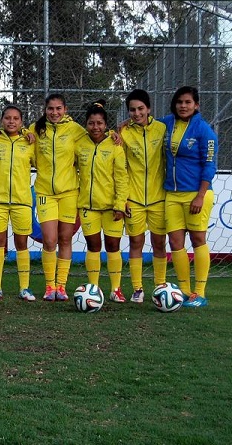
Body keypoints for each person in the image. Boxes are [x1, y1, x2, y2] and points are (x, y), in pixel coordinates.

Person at [161, 86, 217, 307]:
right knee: (175, 242)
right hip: (172, 194)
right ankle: (184, 291)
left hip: (197, 194)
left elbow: (210, 165)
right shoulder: (166, 123)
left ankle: (200, 293)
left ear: (196, 105)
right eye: (179, 102)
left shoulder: (205, 131)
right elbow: (145, 124)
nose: (183, 106)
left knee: (197, 240)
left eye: (187, 102)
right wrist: (125, 125)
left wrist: (200, 195)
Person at [33, 93, 88, 301]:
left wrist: (116, 134)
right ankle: (49, 286)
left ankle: (61, 286)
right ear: (45, 110)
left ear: (65, 110)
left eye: (58, 109)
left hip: (69, 193)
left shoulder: (75, 130)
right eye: (50, 109)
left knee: (65, 239)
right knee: (49, 240)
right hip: (45, 192)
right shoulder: (37, 129)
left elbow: (95, 134)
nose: (54, 113)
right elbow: (15, 131)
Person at [76, 102, 129, 302]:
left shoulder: (115, 146)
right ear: (86, 124)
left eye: (99, 123)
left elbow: (122, 178)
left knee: (113, 246)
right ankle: (94, 288)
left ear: (106, 125)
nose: (95, 127)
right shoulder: (79, 144)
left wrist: (119, 204)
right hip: (88, 206)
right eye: (91, 123)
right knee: (93, 246)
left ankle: (116, 289)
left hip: (111, 207)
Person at [0, 105, 36, 302]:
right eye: (7, 118)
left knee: (21, 243)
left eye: (16, 118)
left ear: (22, 122)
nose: (11, 121)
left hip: (22, 201)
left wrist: (27, 133)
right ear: (1, 120)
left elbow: (40, 163)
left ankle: (25, 288)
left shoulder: (29, 142)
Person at [121, 89, 167, 303]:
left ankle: (160, 286)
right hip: (134, 199)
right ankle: (137, 288)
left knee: (159, 243)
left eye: (140, 109)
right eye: (132, 110)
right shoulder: (123, 133)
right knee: (136, 242)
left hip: (159, 198)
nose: (137, 113)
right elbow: (120, 168)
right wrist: (124, 199)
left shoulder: (163, 129)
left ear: (149, 109)